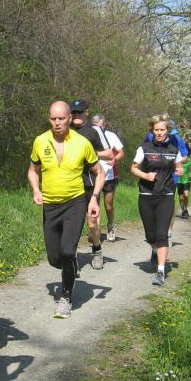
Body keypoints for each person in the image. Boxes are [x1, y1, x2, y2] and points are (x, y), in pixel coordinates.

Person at [28, 101, 104, 318]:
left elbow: (100, 173)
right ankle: (70, 267)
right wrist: (36, 189)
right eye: (53, 118)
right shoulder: (40, 141)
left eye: (61, 118)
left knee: (68, 251)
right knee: (55, 258)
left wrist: (94, 199)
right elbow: (33, 170)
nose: (57, 123)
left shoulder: (82, 143)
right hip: (50, 205)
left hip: (75, 203)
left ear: (69, 118)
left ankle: (66, 298)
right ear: (49, 119)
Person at [131, 114, 183, 287]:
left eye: (162, 129)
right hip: (146, 196)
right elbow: (133, 168)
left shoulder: (174, 150)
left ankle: (160, 272)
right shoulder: (144, 148)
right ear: (152, 131)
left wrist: (180, 171)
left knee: (162, 235)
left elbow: (178, 167)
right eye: (156, 130)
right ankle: (155, 251)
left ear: (167, 131)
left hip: (166, 196)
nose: (159, 133)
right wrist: (145, 175)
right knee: (151, 236)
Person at [69, 99, 114, 269]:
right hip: (69, 183)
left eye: (79, 112)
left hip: (89, 182)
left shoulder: (94, 130)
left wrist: (88, 152)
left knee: (92, 222)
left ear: (86, 112)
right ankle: (71, 257)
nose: (76, 115)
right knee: (71, 223)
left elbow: (109, 154)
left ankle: (96, 248)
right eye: (73, 112)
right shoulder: (65, 129)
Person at [91, 114, 125, 242]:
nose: (98, 129)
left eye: (100, 126)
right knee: (95, 204)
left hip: (109, 174)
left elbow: (121, 153)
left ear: (104, 125)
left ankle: (110, 226)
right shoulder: (89, 136)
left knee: (108, 205)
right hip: (94, 175)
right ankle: (96, 232)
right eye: (95, 126)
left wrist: (115, 160)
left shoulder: (111, 136)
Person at [177, 150, 191, 219]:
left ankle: (186, 209)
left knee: (186, 195)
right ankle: (183, 211)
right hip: (179, 180)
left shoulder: (190, 159)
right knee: (181, 198)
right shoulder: (177, 159)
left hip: (187, 180)